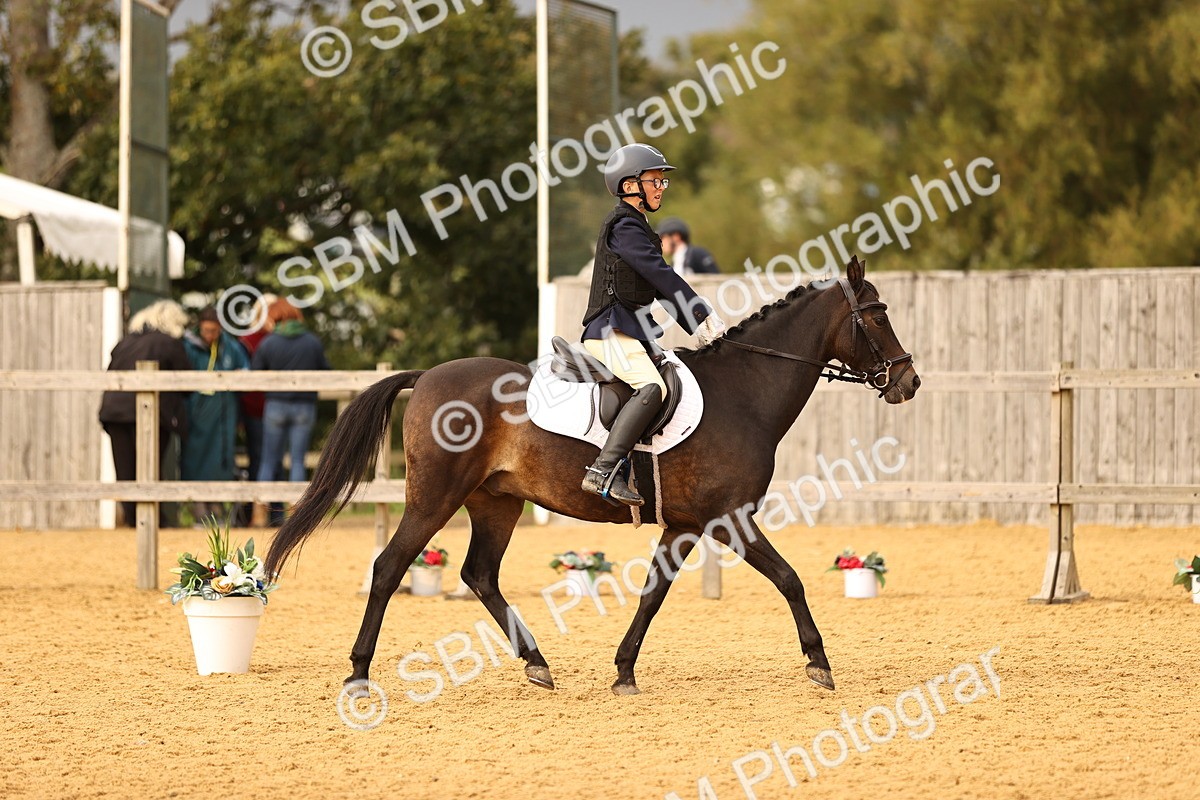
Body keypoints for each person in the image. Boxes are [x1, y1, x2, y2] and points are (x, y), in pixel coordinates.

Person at [579, 143, 727, 506]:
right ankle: (603, 469)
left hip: (630, 331)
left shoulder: (639, 227)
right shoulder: (624, 226)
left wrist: (698, 327)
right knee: (651, 387)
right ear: (630, 185)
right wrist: (700, 313)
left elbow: (657, 287)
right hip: (608, 330)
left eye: (663, 181)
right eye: (654, 180)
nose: (661, 186)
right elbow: (660, 273)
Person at [98, 300, 192, 528]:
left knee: (125, 469)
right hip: (149, 414)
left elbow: (111, 374)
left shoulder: (125, 342)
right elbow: (187, 381)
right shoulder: (169, 343)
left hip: (115, 412)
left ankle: (134, 521)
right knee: (149, 468)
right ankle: (153, 522)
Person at [252, 298, 331, 521]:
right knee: (297, 460)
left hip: (275, 405)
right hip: (304, 406)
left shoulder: (268, 343)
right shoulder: (312, 342)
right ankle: (295, 512)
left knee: (268, 459)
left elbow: (255, 372)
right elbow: (325, 370)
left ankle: (261, 514)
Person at [181, 306, 250, 523]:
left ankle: (217, 511)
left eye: (214, 331)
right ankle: (199, 511)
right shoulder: (189, 346)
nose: (210, 335)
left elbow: (245, 367)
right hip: (197, 414)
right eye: (206, 330)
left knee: (222, 461)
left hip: (224, 416)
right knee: (196, 459)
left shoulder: (230, 346)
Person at [236, 293, 283, 526]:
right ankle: (258, 512)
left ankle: (276, 512)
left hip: (276, 408)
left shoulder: (279, 339)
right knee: (259, 460)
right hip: (255, 409)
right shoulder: (247, 341)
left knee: (275, 461)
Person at [656, 217, 721, 275]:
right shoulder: (674, 262)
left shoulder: (698, 254)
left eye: (662, 239)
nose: (661, 243)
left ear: (676, 237)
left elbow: (716, 277)